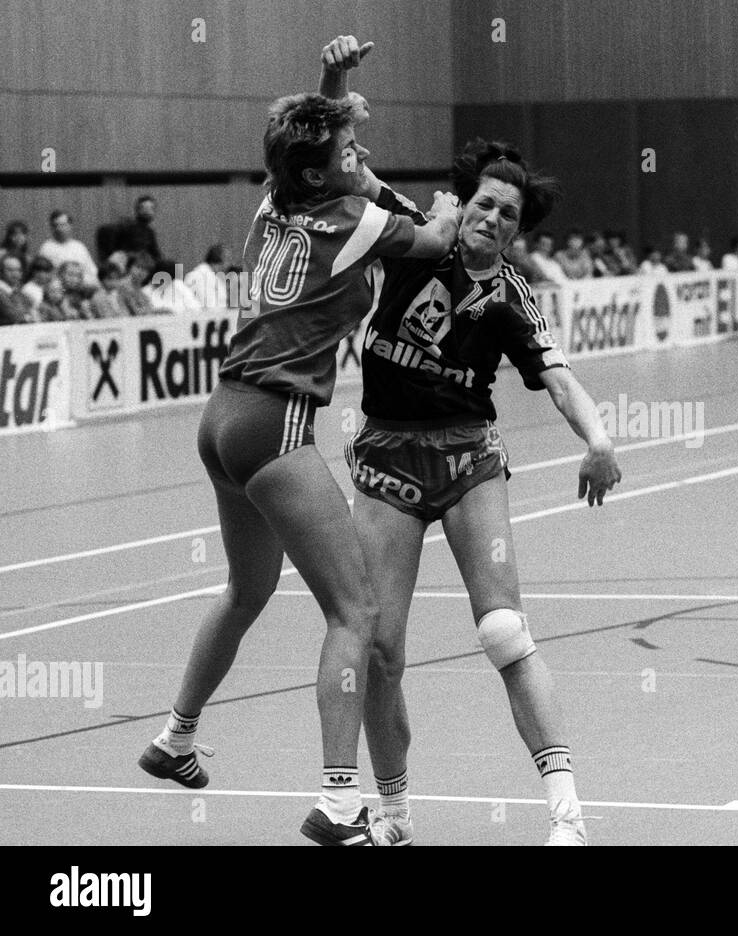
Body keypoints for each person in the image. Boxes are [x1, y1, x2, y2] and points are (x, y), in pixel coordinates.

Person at [136, 35, 461, 846]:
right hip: (276, 422)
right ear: (324, 172)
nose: (362, 147)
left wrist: (335, 80)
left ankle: (175, 737)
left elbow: (315, 134)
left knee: (247, 592)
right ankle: (339, 801)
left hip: (219, 419)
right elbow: (437, 242)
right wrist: (452, 206)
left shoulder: (274, 202)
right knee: (357, 611)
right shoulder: (359, 218)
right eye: (352, 147)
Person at [342, 138, 622, 846]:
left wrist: (599, 441)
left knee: (503, 630)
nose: (494, 219)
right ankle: (396, 814)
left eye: (510, 215)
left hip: (467, 458)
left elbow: (559, 380)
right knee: (379, 649)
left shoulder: (512, 296)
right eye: (486, 205)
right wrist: (336, 89)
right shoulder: (417, 235)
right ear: (464, 204)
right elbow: (351, 172)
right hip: (385, 458)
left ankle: (568, 819)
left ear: (517, 231)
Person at [39, 211, 100, 289]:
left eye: (63, 225)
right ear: (52, 228)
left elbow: (92, 272)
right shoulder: (46, 248)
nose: (59, 229)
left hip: (81, 288)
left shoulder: (79, 247)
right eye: (56, 225)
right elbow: (43, 275)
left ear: (70, 226)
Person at [97, 195, 161, 263]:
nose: (148, 212)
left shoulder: (149, 232)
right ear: (138, 210)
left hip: (144, 265)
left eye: (151, 209)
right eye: (145, 208)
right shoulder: (127, 227)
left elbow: (156, 253)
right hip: (131, 265)